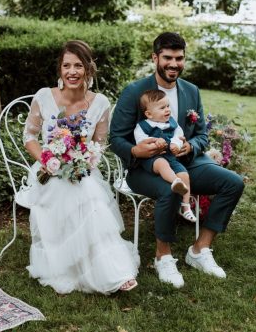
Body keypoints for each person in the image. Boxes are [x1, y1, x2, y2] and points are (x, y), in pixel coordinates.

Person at [110, 32, 244, 288]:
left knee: (233, 183)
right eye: (168, 57)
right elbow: (116, 138)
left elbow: (202, 135)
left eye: (179, 58)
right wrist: (137, 151)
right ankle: (164, 256)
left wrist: (189, 146)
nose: (174, 64)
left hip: (187, 162)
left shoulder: (191, 91)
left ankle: (200, 249)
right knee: (169, 189)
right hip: (146, 167)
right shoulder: (135, 91)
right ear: (155, 58)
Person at [22, 40, 139, 295]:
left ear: (88, 69)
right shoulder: (44, 96)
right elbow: (29, 137)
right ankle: (76, 266)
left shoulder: (100, 103)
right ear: (59, 69)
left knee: (87, 191)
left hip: (82, 170)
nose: (72, 71)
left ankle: (113, 272)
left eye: (78, 65)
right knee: (79, 193)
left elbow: (99, 145)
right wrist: (48, 160)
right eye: (66, 65)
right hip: (48, 171)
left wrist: (85, 160)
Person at [134, 89, 197, 223]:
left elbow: (178, 136)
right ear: (149, 114)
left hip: (171, 157)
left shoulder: (172, 123)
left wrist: (176, 144)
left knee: (185, 175)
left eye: (168, 106)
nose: (167, 110)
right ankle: (175, 181)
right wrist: (155, 141)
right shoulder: (143, 126)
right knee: (162, 164)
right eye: (162, 108)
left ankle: (185, 207)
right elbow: (140, 141)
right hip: (152, 158)